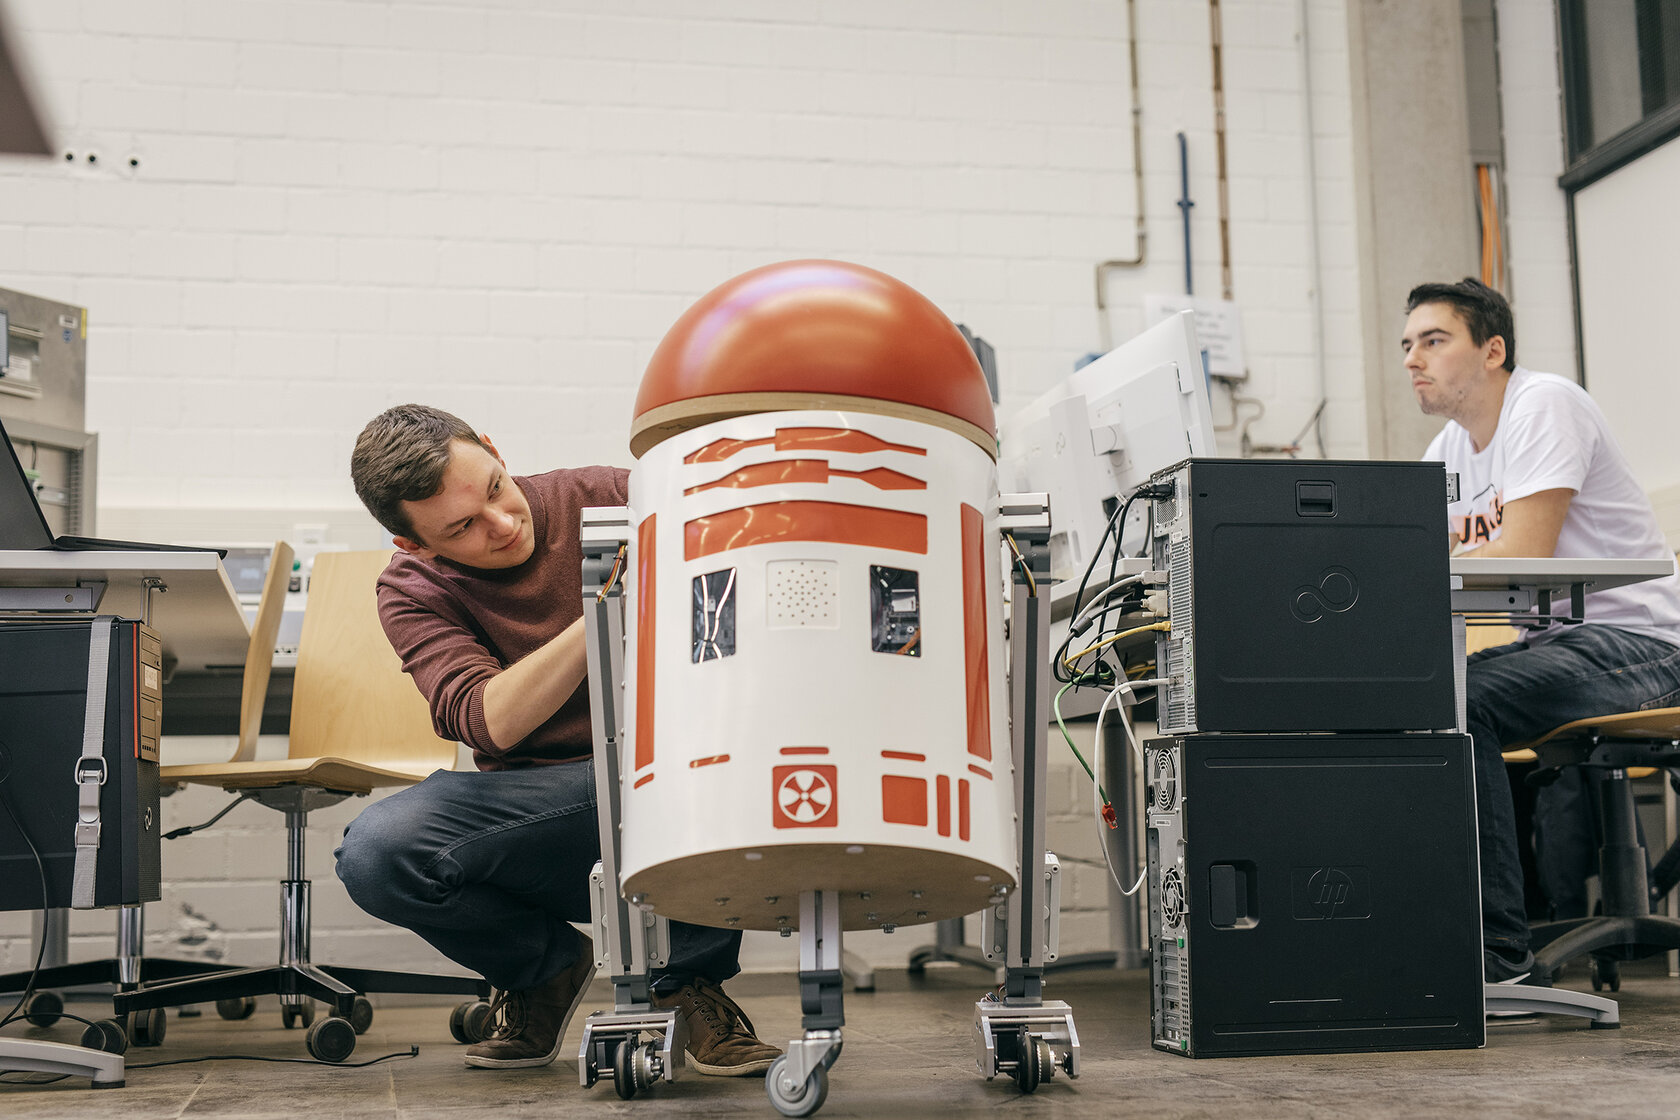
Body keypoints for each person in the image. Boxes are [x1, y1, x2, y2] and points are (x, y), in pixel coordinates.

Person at [335, 403, 783, 1074]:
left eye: (494, 488)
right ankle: (541, 969)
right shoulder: (413, 586)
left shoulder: (614, 498)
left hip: (680, 774)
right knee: (376, 853)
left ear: (492, 447)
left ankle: (689, 983)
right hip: (546, 807)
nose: (503, 523)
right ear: (417, 546)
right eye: (463, 527)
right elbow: (490, 719)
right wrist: (607, 603)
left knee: (700, 760)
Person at [1403, 278, 1680, 984]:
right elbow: (1404, 561)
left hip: (1644, 646)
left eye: (1434, 341)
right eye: (1407, 345)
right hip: (1561, 645)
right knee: (1417, 698)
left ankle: (1498, 958)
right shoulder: (1448, 451)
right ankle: (1457, 933)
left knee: (1463, 703)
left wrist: (1438, 561)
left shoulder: (1543, 404)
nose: (1413, 358)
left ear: (1492, 350)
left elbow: (1522, 544)